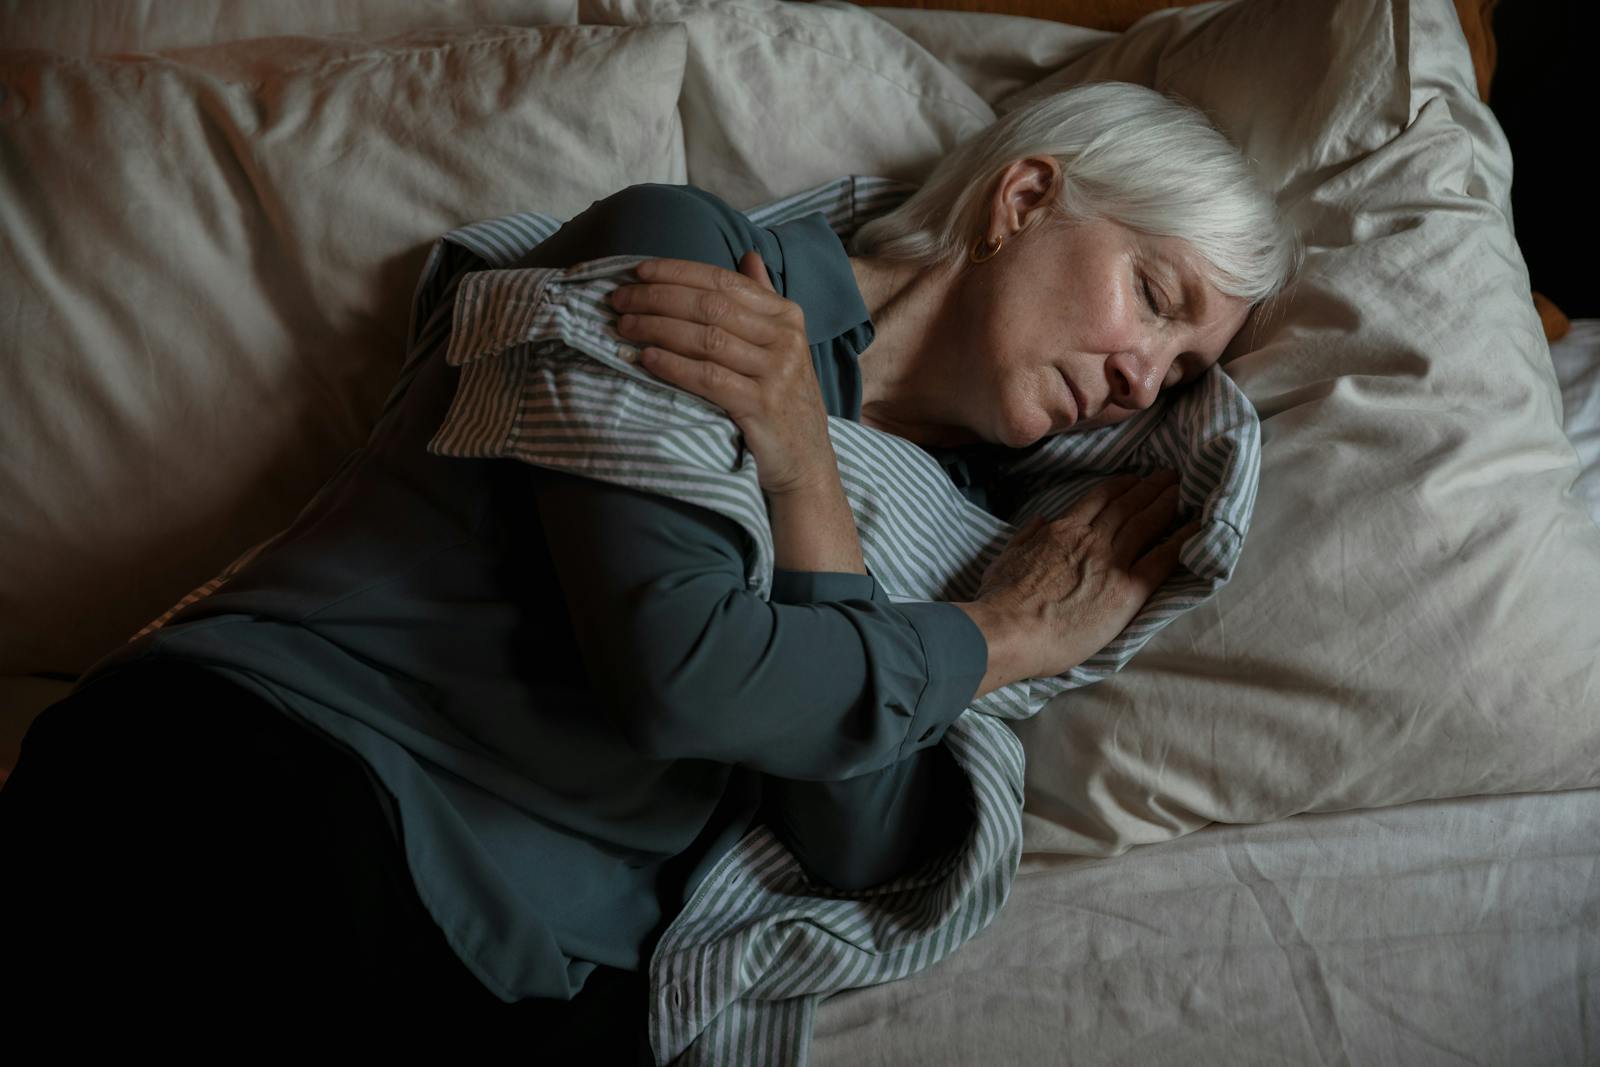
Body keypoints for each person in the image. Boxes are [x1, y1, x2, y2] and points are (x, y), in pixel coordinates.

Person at [0, 81, 1300, 1050]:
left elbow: (856, 842)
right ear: (1025, 199)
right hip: (279, 786)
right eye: (1155, 297)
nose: (1143, 376)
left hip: (531, 969)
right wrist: (997, 641)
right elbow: (684, 677)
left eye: (1183, 374)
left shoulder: (967, 534)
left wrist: (809, 482)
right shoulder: (688, 259)